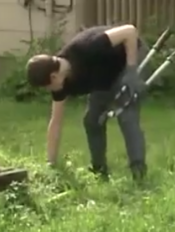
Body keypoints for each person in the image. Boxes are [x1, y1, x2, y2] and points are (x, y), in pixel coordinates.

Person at [25, 24, 148, 180]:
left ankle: (138, 172)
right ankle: (99, 170)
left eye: (47, 86)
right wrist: (51, 164)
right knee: (92, 120)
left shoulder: (87, 48)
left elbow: (129, 31)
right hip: (104, 77)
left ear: (54, 76)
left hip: (129, 57)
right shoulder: (60, 82)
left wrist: (131, 72)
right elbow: (55, 122)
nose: (49, 90)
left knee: (126, 115)